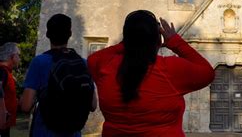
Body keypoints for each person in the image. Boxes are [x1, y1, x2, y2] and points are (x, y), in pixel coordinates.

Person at [87, 10, 215, 136]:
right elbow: (207, 72)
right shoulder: (169, 69)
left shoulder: (103, 65)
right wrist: (174, 41)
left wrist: (132, 41)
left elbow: (94, 58)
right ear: (158, 41)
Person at [21, 14, 97, 136]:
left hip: (45, 131)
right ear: (70, 34)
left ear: (47, 34)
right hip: (74, 132)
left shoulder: (39, 62)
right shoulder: (83, 63)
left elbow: (25, 106)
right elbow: (93, 105)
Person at [0, 43, 20, 137]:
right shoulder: (2, 71)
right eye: (18, 55)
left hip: (5, 124)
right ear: (12, 56)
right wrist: (3, 113)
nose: (19, 59)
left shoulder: (6, 72)